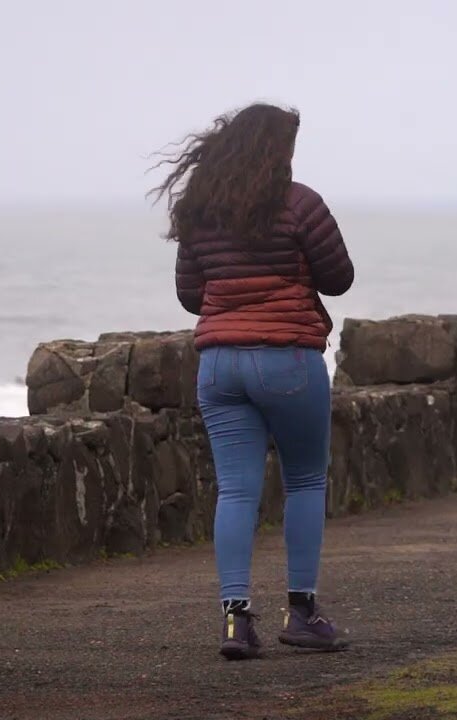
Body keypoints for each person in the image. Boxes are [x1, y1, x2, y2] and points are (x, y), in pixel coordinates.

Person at [150, 103, 355, 660]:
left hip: (218, 365)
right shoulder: (300, 204)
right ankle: (304, 613)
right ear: (276, 149)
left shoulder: (201, 212)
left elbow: (192, 295)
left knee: (236, 490)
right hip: (286, 358)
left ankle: (236, 623)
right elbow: (340, 279)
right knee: (306, 481)